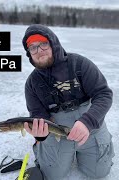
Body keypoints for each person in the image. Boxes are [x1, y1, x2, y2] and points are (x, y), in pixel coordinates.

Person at [21, 24, 115, 179]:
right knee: (53, 176)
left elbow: (103, 94)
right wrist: (41, 135)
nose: (39, 51)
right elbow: (38, 114)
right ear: (29, 53)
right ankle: (40, 148)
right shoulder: (32, 83)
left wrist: (88, 122)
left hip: (89, 126)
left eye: (43, 44)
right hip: (56, 130)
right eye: (33, 47)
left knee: (99, 172)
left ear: (53, 43)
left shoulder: (79, 64)